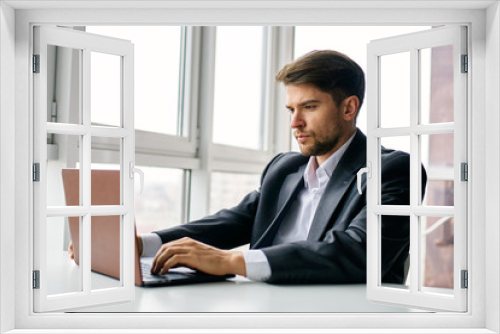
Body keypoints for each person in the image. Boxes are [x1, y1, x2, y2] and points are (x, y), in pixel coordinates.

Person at [137, 50, 426, 284]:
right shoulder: (285, 168)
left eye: (309, 107)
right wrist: (145, 245)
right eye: (291, 109)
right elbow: (233, 222)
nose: (295, 123)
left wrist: (230, 261)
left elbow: (357, 252)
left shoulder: (395, 170)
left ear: (349, 108)